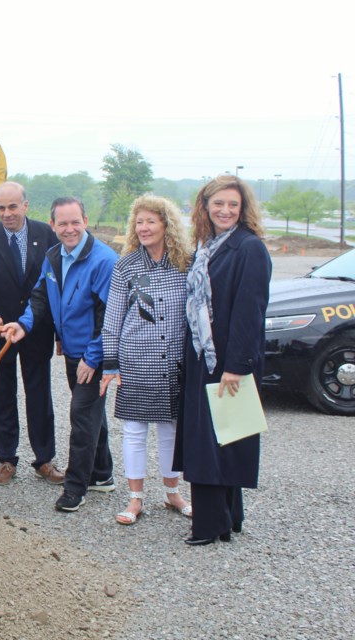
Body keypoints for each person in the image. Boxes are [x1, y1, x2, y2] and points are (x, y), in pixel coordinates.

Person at [4, 197, 117, 512]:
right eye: (63, 223)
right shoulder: (54, 256)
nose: (70, 229)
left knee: (81, 417)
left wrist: (92, 358)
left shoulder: (104, 261)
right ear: (52, 225)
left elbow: (107, 315)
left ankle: (75, 488)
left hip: (91, 355)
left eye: (75, 222)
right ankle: (102, 474)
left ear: (86, 220)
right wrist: (24, 325)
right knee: (92, 414)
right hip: (71, 351)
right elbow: (39, 296)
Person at [175, 175, 271, 546]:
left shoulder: (249, 249)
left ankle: (209, 526)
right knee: (217, 437)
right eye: (218, 204)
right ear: (205, 207)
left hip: (228, 360)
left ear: (243, 208)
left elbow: (251, 312)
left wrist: (238, 365)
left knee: (219, 441)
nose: (225, 210)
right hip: (204, 357)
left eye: (233, 204)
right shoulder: (208, 246)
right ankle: (229, 518)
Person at [99, 195, 192, 525]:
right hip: (136, 360)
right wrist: (111, 364)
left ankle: (173, 492)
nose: (144, 228)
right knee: (135, 431)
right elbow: (112, 320)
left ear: (167, 224)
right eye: (139, 222)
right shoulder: (126, 266)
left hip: (174, 363)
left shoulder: (186, 263)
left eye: (151, 221)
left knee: (171, 430)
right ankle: (135, 499)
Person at [0, 182, 62, 486]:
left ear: (25, 205)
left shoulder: (46, 235)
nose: (7, 213)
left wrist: (47, 326)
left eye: (12, 206)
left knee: (39, 395)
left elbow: (51, 284)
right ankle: (7, 460)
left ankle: (44, 459)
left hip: (35, 331)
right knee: (2, 396)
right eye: (1, 208)